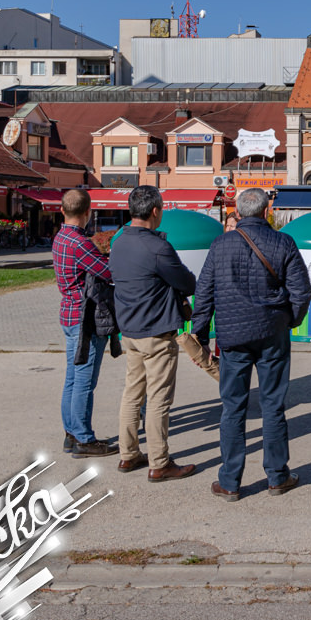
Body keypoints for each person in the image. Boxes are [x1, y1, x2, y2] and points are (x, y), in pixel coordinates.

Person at [192, 188, 311, 502]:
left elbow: (203, 294)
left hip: (233, 337)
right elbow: (302, 293)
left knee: (233, 408)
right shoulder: (283, 242)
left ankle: (230, 481)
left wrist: (201, 337)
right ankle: (277, 476)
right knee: (273, 406)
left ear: (239, 211)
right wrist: (290, 321)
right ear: (265, 210)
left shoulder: (219, 245)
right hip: (272, 333)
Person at [110, 186, 199, 483]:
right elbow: (186, 282)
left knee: (132, 394)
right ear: (155, 211)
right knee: (159, 399)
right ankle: (159, 462)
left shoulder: (119, 242)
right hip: (157, 330)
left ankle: (128, 454)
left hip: (130, 329)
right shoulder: (158, 247)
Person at [52, 189, 118, 458]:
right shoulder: (80, 243)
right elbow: (107, 272)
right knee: (84, 380)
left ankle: (71, 432)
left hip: (69, 313)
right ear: (88, 212)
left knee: (72, 377)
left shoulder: (60, 238)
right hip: (85, 317)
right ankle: (83, 437)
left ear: (62, 210)